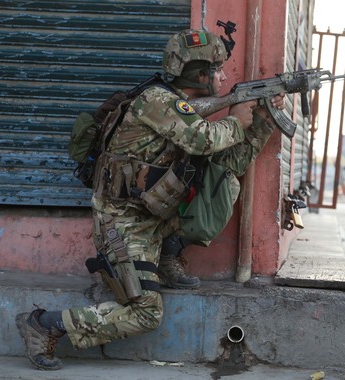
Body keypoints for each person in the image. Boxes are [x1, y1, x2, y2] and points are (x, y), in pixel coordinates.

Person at [15, 27, 285, 371]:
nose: (223, 76)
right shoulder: (155, 102)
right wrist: (235, 121)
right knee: (147, 313)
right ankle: (45, 324)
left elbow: (231, 160)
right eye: (216, 69)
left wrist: (261, 121)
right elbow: (203, 140)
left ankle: (168, 252)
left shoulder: (179, 106)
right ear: (198, 74)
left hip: (154, 213)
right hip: (123, 224)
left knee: (222, 178)